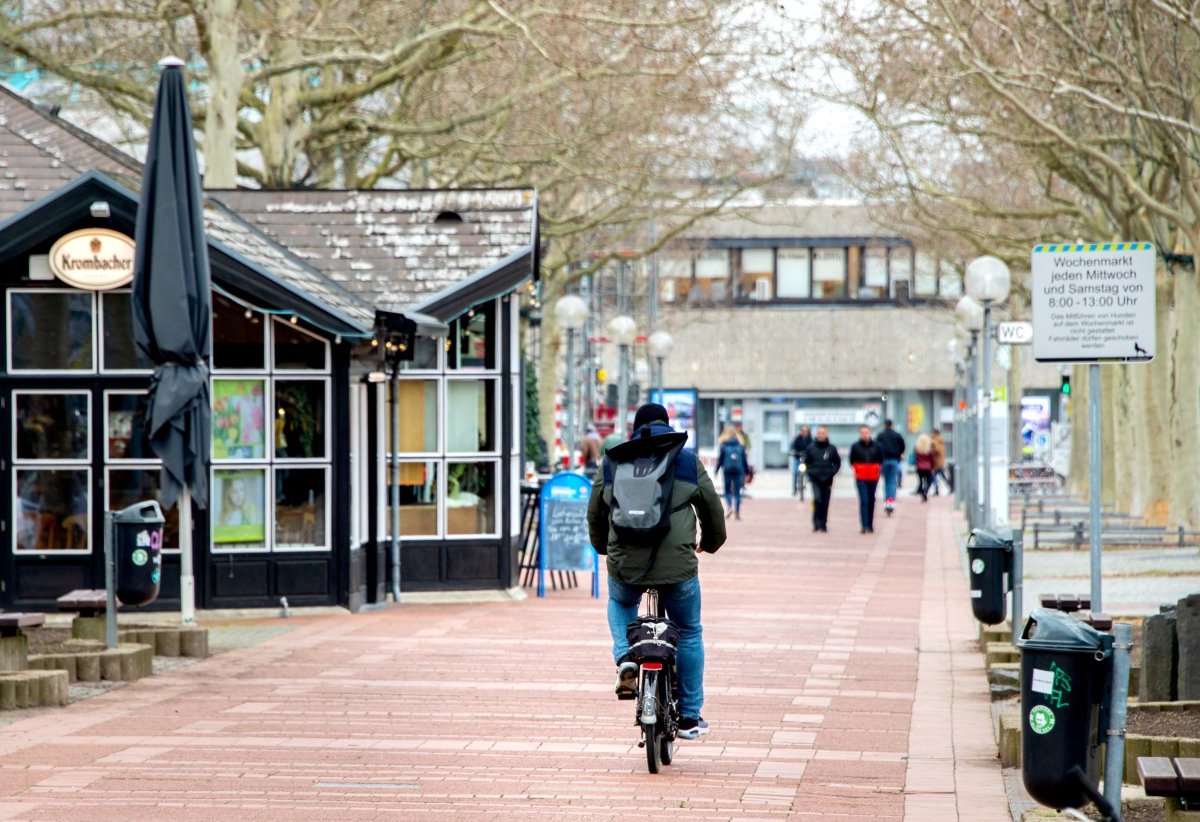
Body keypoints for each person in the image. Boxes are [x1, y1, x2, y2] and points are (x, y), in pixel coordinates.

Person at [588, 403, 727, 739]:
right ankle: (690, 717)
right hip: (677, 564)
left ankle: (625, 657)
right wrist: (710, 543)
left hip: (625, 562)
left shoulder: (613, 459)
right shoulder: (685, 459)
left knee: (621, 602)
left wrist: (604, 549)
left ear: (636, 428)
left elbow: (595, 512)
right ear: (667, 424)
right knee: (689, 630)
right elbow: (712, 509)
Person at [803, 426, 841, 532]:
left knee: (825, 501)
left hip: (827, 479)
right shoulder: (810, 447)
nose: (821, 435)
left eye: (823, 433)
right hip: (815, 478)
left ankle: (823, 524)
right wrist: (809, 473)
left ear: (826, 434)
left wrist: (832, 472)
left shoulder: (831, 448)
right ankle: (816, 523)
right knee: (817, 499)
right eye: (819, 433)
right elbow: (806, 462)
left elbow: (837, 463)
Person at [848, 425, 884, 533]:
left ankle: (870, 524)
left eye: (866, 432)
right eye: (862, 433)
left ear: (870, 433)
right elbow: (851, 460)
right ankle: (864, 525)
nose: (864, 435)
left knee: (871, 500)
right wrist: (857, 469)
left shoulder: (877, 446)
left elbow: (880, 460)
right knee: (864, 500)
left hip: (873, 477)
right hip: (861, 477)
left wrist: (877, 469)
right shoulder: (855, 446)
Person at [715, 425, 748, 519]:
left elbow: (720, 460)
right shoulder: (741, 446)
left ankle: (729, 506)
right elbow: (744, 461)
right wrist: (747, 472)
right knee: (737, 492)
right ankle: (737, 513)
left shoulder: (723, 446)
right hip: (739, 470)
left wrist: (716, 470)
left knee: (727, 490)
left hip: (727, 470)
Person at [876, 419, 906, 512]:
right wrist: (898, 454)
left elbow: (876, 447)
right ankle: (890, 500)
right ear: (892, 425)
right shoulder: (897, 435)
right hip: (894, 460)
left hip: (884, 460)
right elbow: (902, 446)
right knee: (892, 481)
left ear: (884, 425)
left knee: (886, 481)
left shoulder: (880, 436)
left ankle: (887, 500)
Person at [789, 424, 813, 499]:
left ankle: (809, 481)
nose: (804, 432)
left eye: (806, 431)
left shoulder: (810, 439)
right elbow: (792, 447)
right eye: (803, 431)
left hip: (807, 459)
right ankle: (794, 489)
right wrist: (793, 452)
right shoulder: (797, 439)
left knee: (810, 471)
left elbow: (813, 448)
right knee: (795, 472)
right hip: (798, 458)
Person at [914, 432, 934, 502]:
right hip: (928, 467)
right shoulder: (929, 448)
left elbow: (915, 457)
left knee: (921, 481)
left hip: (919, 467)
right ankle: (925, 491)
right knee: (930, 480)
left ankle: (922, 492)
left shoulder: (917, 448)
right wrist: (932, 467)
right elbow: (931, 459)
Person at [930, 429, 949, 494]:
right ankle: (937, 489)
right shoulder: (939, 440)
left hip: (937, 462)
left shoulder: (937, 441)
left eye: (932, 433)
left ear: (935, 433)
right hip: (938, 462)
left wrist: (932, 449)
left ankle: (937, 489)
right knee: (940, 476)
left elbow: (937, 450)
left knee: (934, 476)